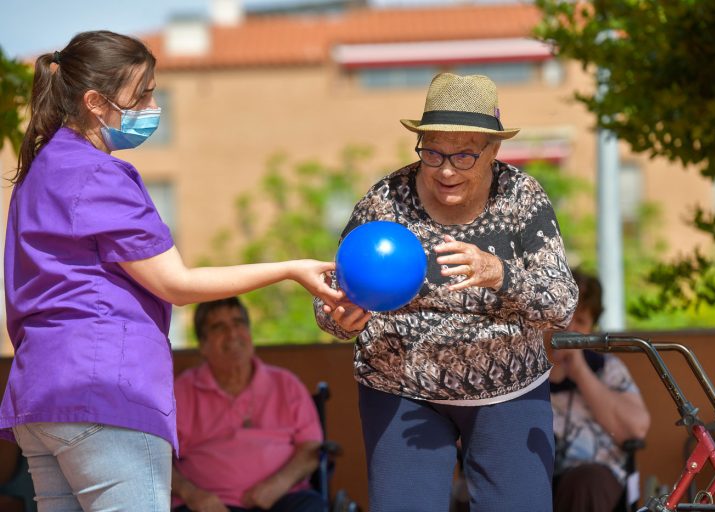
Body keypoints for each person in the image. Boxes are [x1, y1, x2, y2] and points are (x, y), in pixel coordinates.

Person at [0, 31, 342, 512]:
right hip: (105, 392)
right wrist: (289, 269)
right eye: (143, 94)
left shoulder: (40, 172)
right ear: (96, 102)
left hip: (41, 396)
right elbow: (176, 284)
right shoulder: (100, 174)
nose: (154, 104)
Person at [314, 72, 578, 512]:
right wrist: (338, 315)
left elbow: (562, 304)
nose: (446, 169)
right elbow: (332, 293)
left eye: (464, 155)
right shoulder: (387, 200)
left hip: (508, 388)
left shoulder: (521, 197)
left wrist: (500, 274)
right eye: (432, 152)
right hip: (400, 384)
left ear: (494, 150)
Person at [172, 297, 324, 512]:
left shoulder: (286, 384)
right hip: (209, 505)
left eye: (238, 323)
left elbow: (312, 449)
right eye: (218, 327)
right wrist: (193, 495)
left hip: (283, 498)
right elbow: (157, 458)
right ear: (203, 345)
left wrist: (279, 484)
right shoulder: (184, 390)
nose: (232, 334)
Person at [550, 269, 651, 512]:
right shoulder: (521, 369)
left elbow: (636, 428)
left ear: (592, 329)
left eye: (581, 321)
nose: (570, 328)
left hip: (597, 484)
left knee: (587, 482)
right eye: (563, 317)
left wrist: (580, 372)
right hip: (536, 479)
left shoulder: (607, 369)